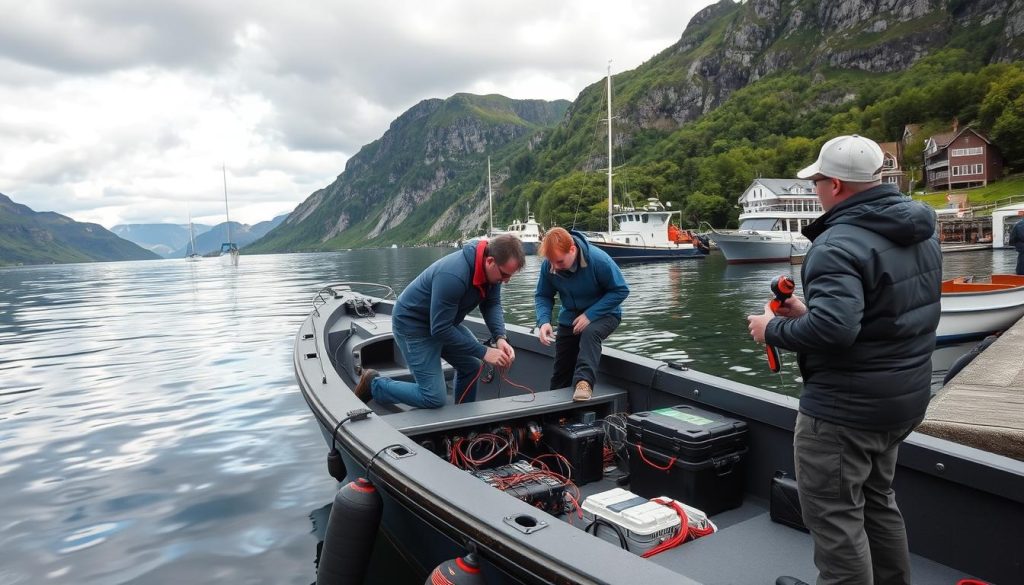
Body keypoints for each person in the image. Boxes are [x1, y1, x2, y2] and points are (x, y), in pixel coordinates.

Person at [746, 135, 942, 585]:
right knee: (877, 500)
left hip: (844, 412)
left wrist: (771, 328)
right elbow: (882, 313)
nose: (814, 189)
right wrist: (807, 314)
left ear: (835, 184)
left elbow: (836, 332)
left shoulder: (835, 244)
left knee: (836, 520)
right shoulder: (921, 231)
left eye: (816, 181)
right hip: (902, 401)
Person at [353, 235, 525, 408]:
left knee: (472, 366)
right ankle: (374, 385)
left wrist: (500, 337)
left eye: (509, 276)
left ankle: (463, 419)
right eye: (504, 275)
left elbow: (491, 304)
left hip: (441, 324)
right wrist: (484, 351)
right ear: (490, 261)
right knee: (433, 398)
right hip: (413, 326)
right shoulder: (454, 275)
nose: (506, 281)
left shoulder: (493, 275)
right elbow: (441, 329)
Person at [535, 227, 629, 401]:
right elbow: (543, 295)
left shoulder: (599, 260)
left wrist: (590, 315)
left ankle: (584, 383)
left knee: (590, 332)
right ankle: (552, 412)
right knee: (561, 368)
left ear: (572, 249)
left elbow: (621, 290)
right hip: (570, 317)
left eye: (560, 262)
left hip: (605, 314)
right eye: (551, 262)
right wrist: (544, 321)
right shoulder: (550, 265)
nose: (554, 267)